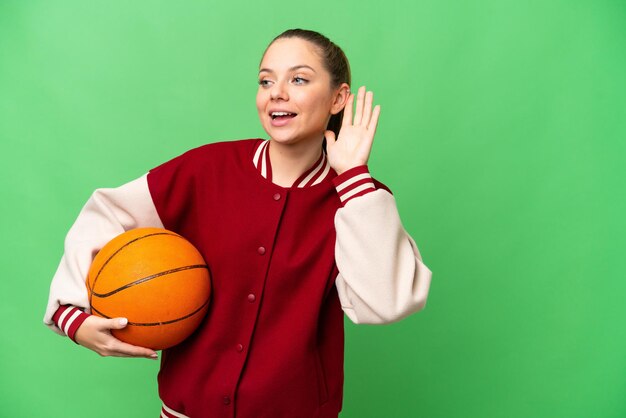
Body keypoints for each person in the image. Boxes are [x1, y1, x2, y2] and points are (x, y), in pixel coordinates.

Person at [44, 28, 432, 418]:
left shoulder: (358, 197)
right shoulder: (206, 170)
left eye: (298, 79)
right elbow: (107, 212)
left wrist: (353, 176)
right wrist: (72, 316)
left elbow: (387, 303)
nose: (276, 92)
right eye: (266, 80)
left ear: (338, 98)